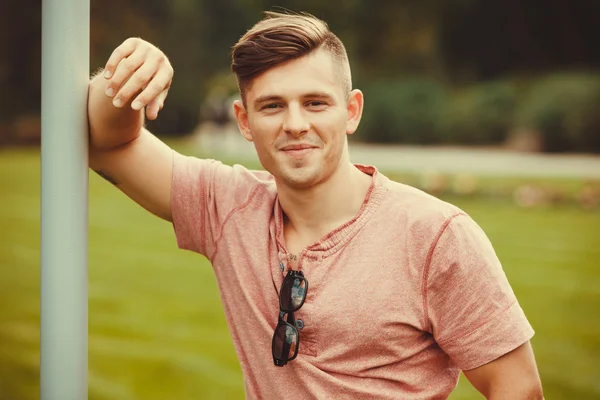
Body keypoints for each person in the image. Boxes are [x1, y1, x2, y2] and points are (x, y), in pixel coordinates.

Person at [88, 11, 544, 399]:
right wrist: (127, 77)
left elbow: (517, 387)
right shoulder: (224, 206)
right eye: (272, 106)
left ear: (351, 111)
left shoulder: (436, 235)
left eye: (315, 102)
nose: (295, 124)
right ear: (244, 122)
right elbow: (107, 143)